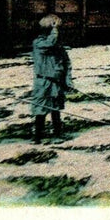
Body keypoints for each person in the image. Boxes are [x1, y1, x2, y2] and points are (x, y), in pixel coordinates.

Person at [30, 14, 74, 144]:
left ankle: (58, 133)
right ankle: (38, 136)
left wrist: (68, 81)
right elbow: (50, 43)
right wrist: (55, 30)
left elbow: (66, 65)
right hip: (43, 81)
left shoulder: (58, 47)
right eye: (54, 29)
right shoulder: (39, 43)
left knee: (56, 108)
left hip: (57, 82)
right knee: (41, 109)